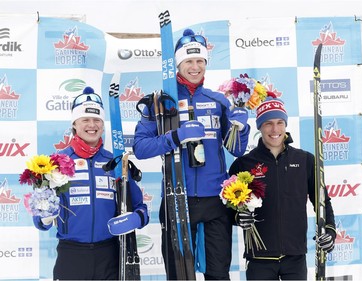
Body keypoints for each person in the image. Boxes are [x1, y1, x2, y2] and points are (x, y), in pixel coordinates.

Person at [133, 28, 250, 280]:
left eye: (200, 61)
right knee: (179, 275)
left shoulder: (219, 100)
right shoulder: (161, 102)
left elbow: (237, 149)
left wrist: (241, 127)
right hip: (177, 198)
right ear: (178, 64)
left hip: (215, 201)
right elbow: (140, 148)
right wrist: (176, 137)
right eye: (188, 61)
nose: (195, 67)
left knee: (218, 274)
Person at [32, 86, 149, 280]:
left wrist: (137, 218)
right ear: (74, 125)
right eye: (85, 119)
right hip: (71, 255)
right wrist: (44, 217)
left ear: (103, 125)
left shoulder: (117, 162)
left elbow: (140, 207)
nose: (91, 125)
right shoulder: (56, 163)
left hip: (109, 255)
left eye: (97, 120)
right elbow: (39, 220)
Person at [228, 95, 336, 280]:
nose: (275, 129)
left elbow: (322, 201)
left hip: (295, 257)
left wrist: (330, 230)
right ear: (260, 126)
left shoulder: (305, 160)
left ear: (286, 125)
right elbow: (228, 207)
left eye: (280, 122)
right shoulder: (243, 164)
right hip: (259, 258)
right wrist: (238, 217)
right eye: (268, 123)